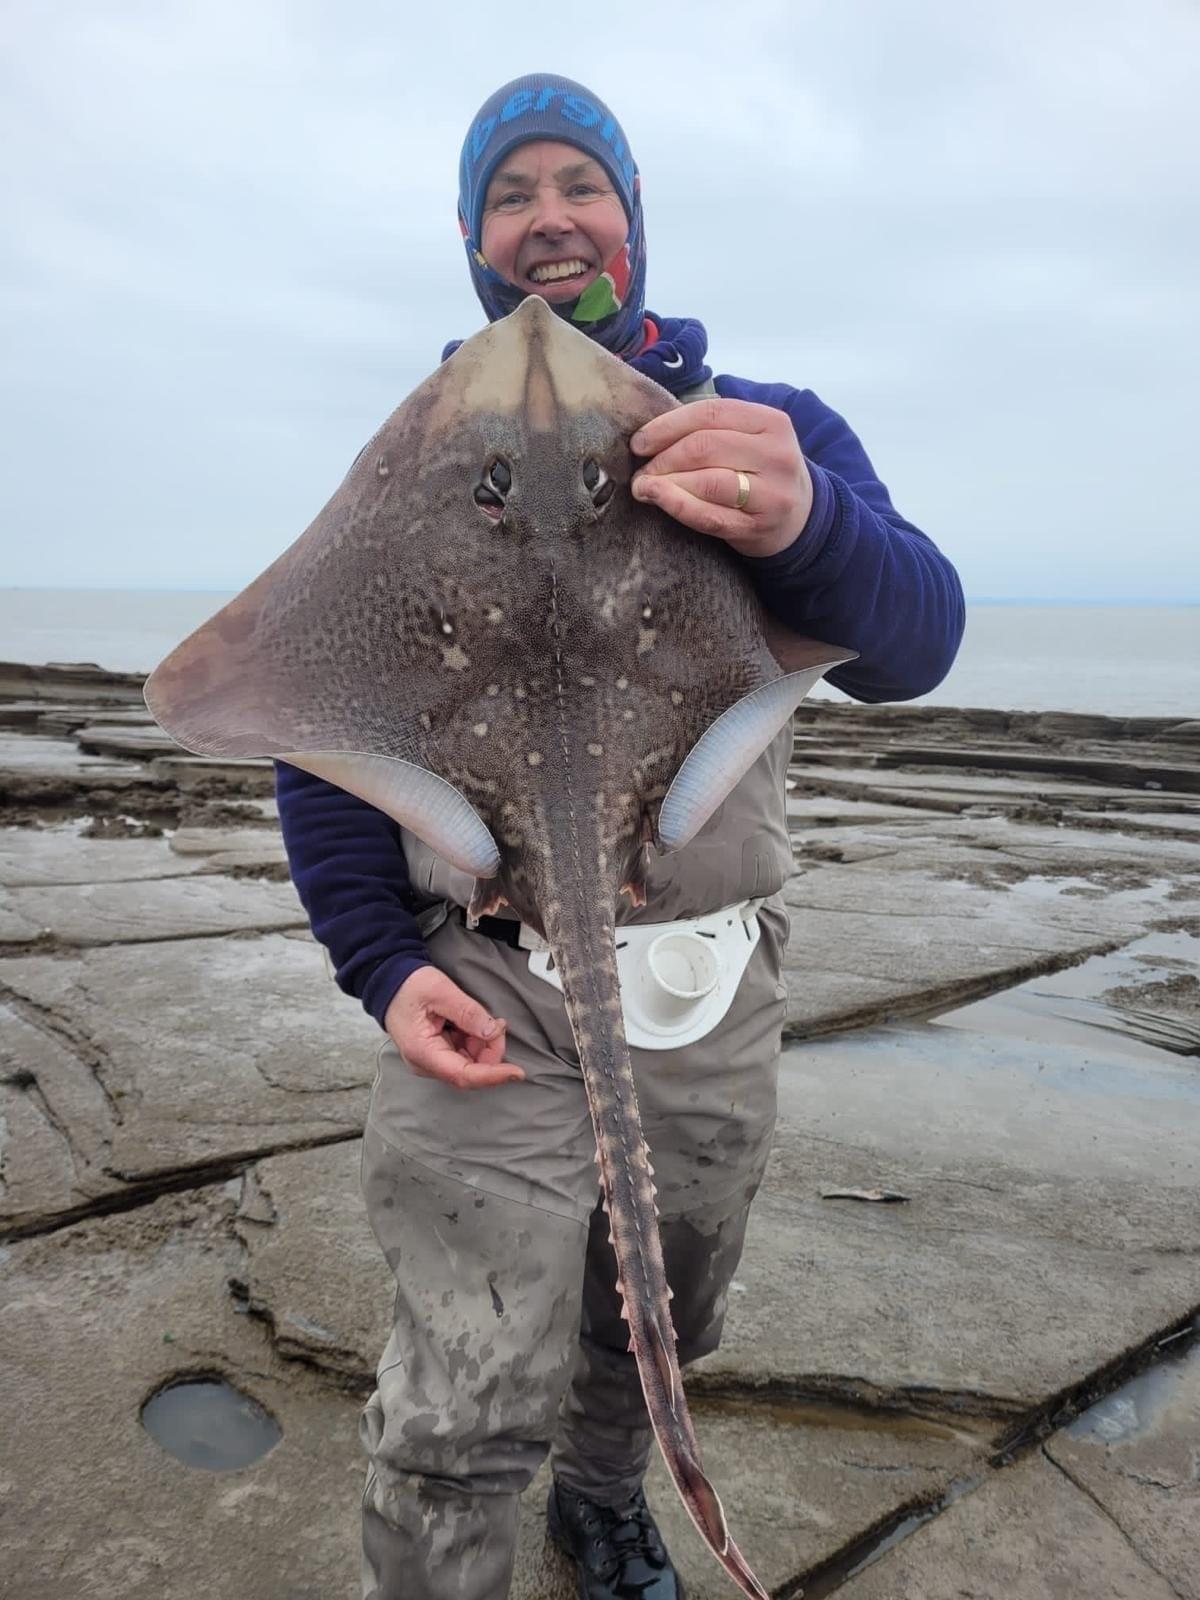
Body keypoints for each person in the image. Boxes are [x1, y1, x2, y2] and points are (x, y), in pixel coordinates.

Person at [276, 72, 964, 1600]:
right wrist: (379, 964)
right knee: (465, 1377)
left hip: (711, 982)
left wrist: (805, 529)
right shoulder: (409, 467)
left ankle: (603, 1494)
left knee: (660, 1307)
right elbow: (321, 729)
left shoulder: (764, 436)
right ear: (472, 240)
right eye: (511, 196)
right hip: (494, 977)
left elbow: (922, 640)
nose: (549, 221)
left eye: (578, 187)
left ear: (631, 224)